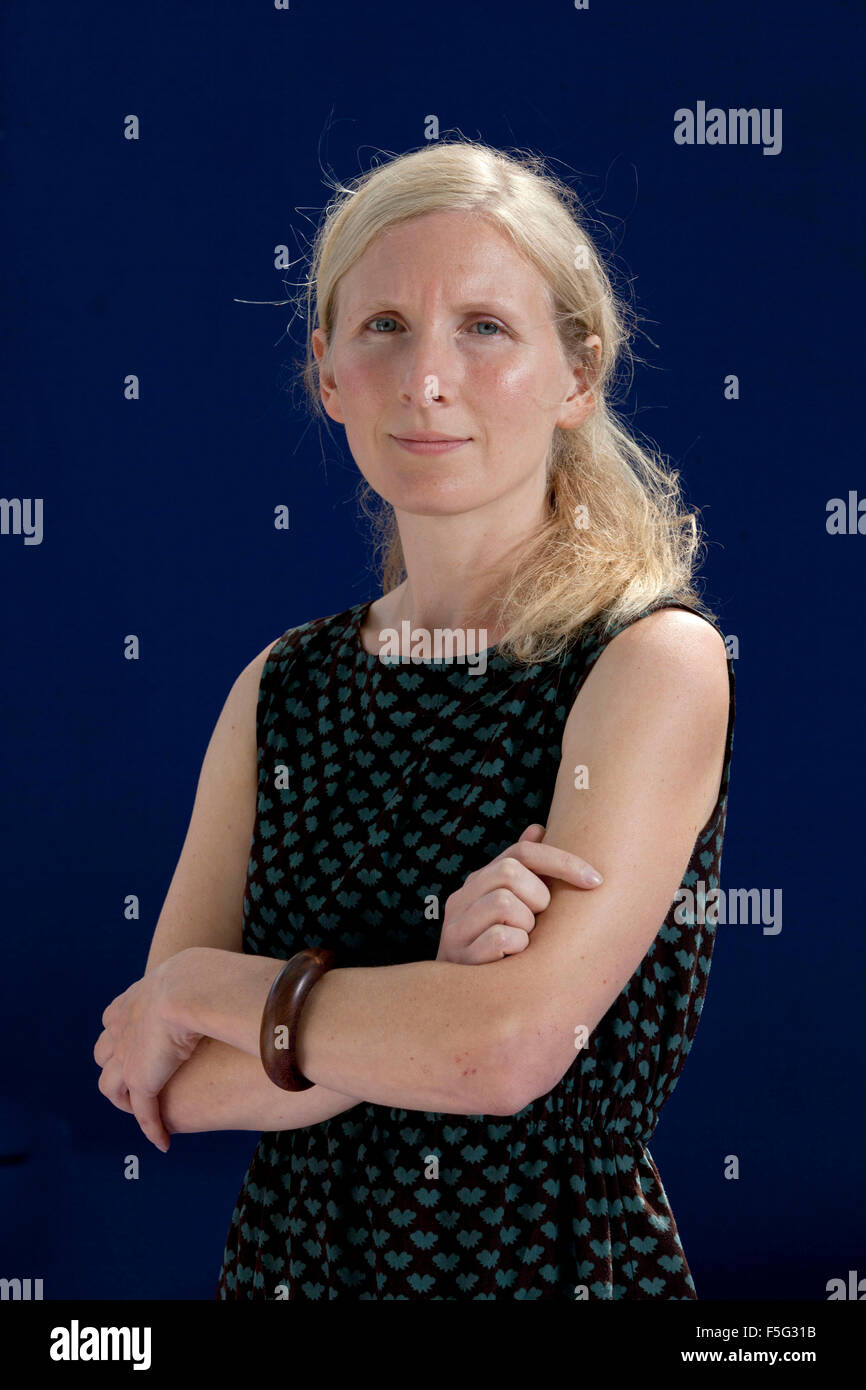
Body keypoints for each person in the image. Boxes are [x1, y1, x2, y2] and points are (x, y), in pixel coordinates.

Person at [93, 138, 736, 1300]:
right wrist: (418, 990)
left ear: (575, 373)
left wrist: (201, 984)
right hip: (289, 1276)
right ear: (327, 373)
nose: (425, 377)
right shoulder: (278, 687)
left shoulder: (650, 661)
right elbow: (168, 1080)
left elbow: (500, 1052)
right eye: (382, 325)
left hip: (542, 1275)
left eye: (483, 326)